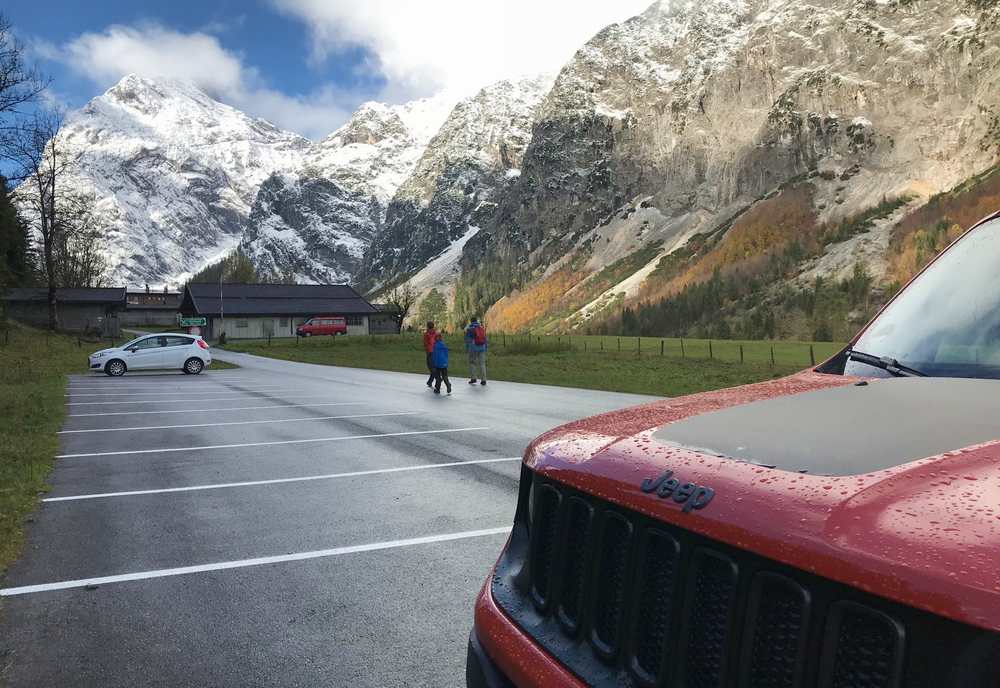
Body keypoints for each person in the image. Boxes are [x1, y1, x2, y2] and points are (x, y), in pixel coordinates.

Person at [465, 316, 488, 386]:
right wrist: (485, 347)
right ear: (477, 321)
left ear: (471, 321)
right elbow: (485, 339)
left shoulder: (469, 329)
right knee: (482, 363)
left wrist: (467, 349)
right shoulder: (481, 328)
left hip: (473, 348)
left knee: (472, 362)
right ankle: (483, 380)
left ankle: (473, 378)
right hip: (482, 348)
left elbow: (467, 340)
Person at [422, 321, 437, 388]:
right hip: (436, 352)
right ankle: (431, 381)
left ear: (427, 326)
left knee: (431, 368)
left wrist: (427, 349)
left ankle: (437, 379)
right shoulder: (436, 333)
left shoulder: (426, 334)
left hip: (429, 352)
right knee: (433, 367)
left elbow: (425, 343)